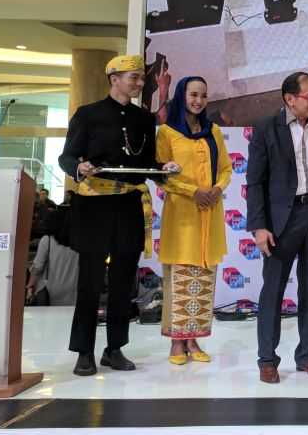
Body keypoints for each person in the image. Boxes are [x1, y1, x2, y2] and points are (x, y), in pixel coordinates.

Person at [58, 55, 180, 376]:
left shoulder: (144, 118)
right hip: (95, 206)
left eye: (141, 78)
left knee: (124, 281)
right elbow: (67, 156)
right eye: (133, 77)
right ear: (114, 79)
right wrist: (79, 167)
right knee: (90, 282)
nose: (139, 83)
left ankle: (114, 349)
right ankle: (84, 351)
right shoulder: (88, 114)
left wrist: (163, 169)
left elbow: (147, 163)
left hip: (129, 205)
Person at [246, 72, 308, 384]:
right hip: (280, 221)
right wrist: (259, 226)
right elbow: (255, 181)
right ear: (290, 99)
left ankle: (307, 356)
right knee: (273, 290)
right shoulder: (265, 127)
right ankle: (267, 359)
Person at [155, 76, 232, 365]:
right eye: (193, 95)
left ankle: (194, 339)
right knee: (181, 278)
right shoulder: (167, 132)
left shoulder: (213, 131)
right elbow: (161, 174)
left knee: (203, 278)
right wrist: (193, 191)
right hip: (182, 215)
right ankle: (177, 342)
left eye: (203, 95)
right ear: (181, 96)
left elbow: (226, 168)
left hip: (210, 212)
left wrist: (217, 189)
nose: (198, 101)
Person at [27, 207, 78, 306]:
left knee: (50, 315)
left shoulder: (47, 240)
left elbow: (38, 267)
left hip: (51, 290)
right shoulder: (79, 241)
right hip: (74, 289)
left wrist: (30, 285)